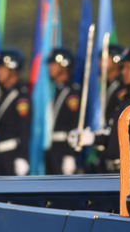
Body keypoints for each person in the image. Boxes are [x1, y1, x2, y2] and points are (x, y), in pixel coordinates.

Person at [69, 46, 130, 173]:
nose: (123, 72)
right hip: (113, 170)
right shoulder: (124, 97)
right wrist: (92, 138)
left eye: (128, 68)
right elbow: (117, 135)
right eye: (122, 67)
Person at [0, 48, 31, 176]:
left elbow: (24, 128)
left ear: (13, 69)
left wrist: (22, 156)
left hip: (13, 156)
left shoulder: (20, 95)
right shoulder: (0, 93)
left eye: (2, 68)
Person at [46, 47, 81, 175]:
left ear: (64, 65)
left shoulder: (72, 92)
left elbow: (75, 122)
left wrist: (70, 154)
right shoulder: (53, 90)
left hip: (64, 147)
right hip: (51, 148)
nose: (50, 67)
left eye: (54, 64)